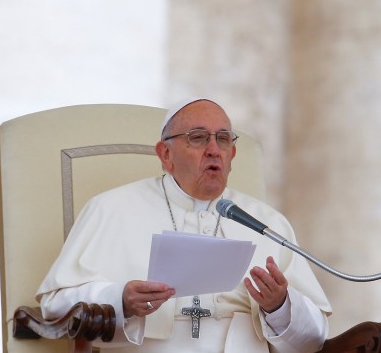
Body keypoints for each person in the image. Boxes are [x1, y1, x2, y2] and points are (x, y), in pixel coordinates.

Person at [37, 98, 332, 353]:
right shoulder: (110, 209)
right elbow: (55, 305)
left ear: (232, 155)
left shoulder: (268, 223)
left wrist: (280, 306)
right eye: (198, 137)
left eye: (224, 139)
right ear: (165, 154)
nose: (214, 150)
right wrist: (120, 300)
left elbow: (314, 338)